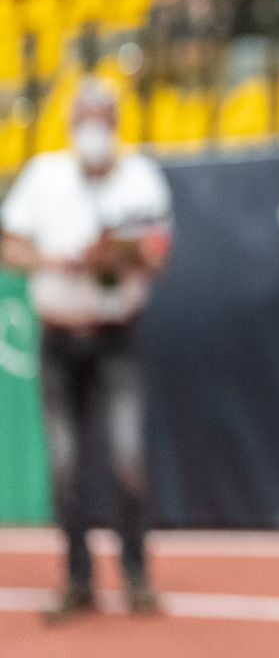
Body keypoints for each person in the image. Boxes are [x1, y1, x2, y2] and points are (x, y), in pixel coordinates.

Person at [0, 80, 172, 622]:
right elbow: (9, 241)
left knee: (127, 459)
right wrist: (54, 260)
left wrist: (116, 259)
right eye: (84, 117)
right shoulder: (45, 176)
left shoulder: (141, 177)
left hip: (116, 336)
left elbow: (158, 252)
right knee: (66, 465)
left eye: (102, 117)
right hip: (60, 338)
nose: (92, 128)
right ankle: (77, 578)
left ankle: (136, 575)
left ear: (116, 123)